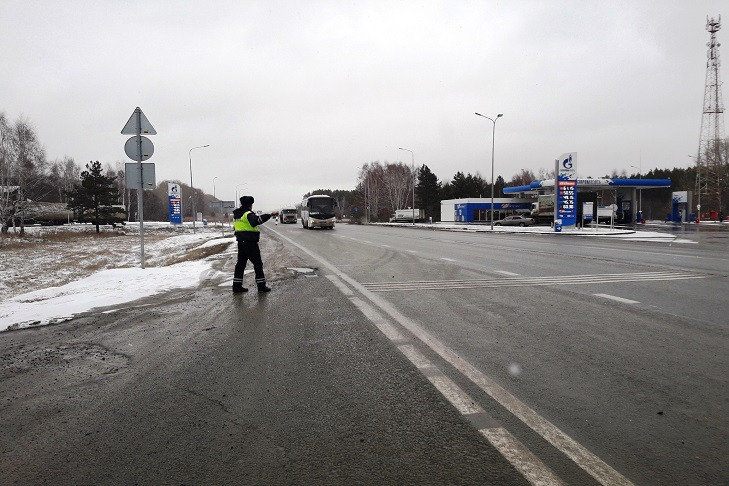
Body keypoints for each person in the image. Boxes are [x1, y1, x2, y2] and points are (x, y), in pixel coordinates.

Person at [232, 196, 278, 293]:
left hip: (241, 243)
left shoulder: (237, 215)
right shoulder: (247, 214)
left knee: (240, 264)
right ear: (250, 205)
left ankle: (236, 286)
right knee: (257, 264)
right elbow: (257, 221)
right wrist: (270, 215)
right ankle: (261, 287)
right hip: (250, 243)